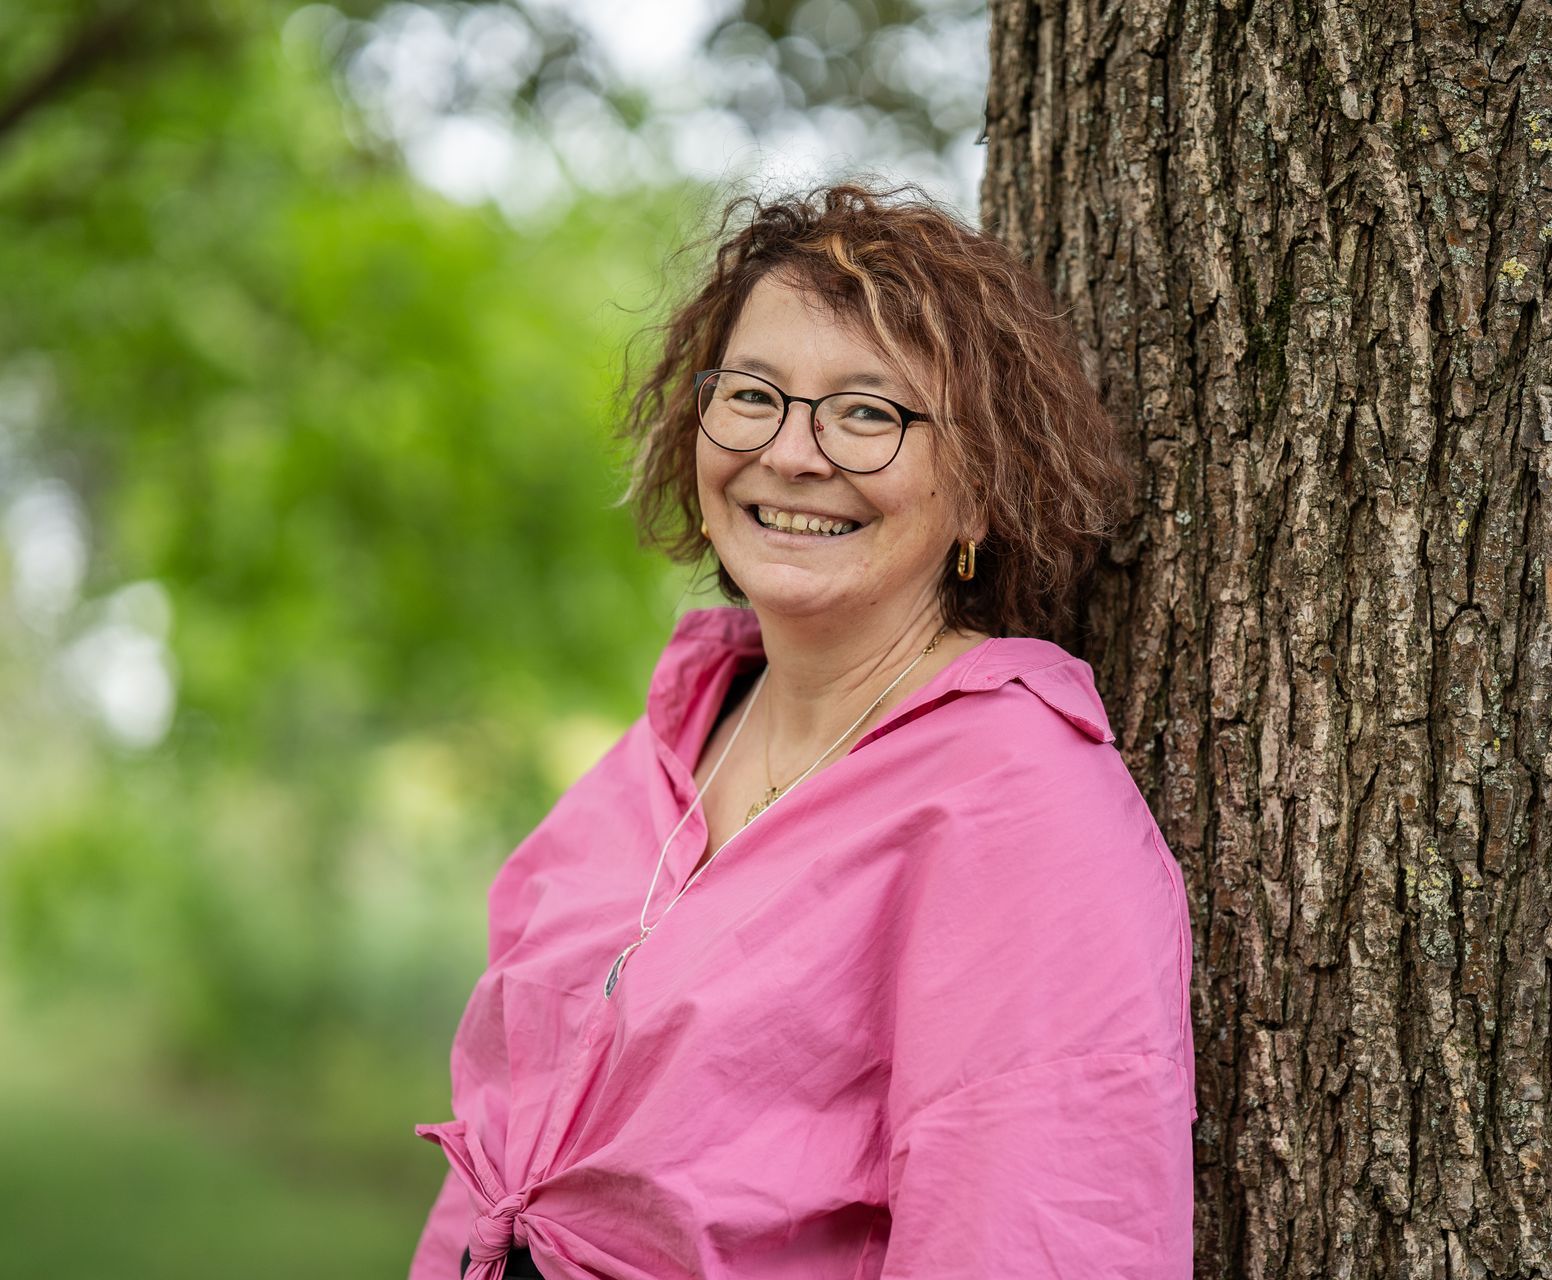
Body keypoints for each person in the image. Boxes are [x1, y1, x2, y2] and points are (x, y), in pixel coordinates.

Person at [409, 179, 1198, 1280]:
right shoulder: (666, 745)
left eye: (869, 412)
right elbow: (487, 1173)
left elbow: (1032, 1233)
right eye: (754, 395)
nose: (791, 452)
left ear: (979, 492)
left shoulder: (1018, 797)